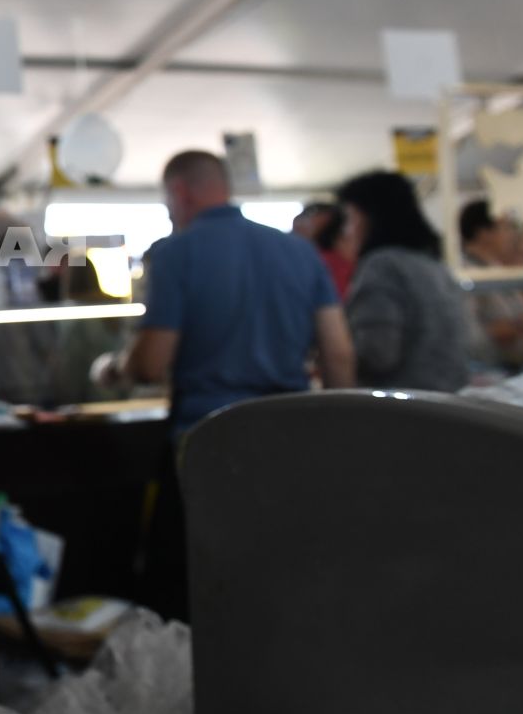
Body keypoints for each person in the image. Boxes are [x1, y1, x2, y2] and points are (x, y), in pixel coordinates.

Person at [104, 152, 355, 617]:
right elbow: (338, 353)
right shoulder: (299, 252)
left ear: (180, 192)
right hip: (290, 439)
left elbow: (151, 364)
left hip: (206, 444)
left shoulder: (175, 252)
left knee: (200, 597)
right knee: (284, 587)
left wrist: (115, 367)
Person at [338, 172, 472, 392]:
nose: (347, 231)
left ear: (368, 217)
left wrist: (334, 350)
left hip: (402, 410)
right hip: (448, 402)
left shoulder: (382, 266)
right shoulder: (433, 265)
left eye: (350, 218)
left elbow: (378, 353)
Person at [458, 200, 523, 372]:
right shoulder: (467, 278)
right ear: (483, 233)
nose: (511, 236)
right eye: (505, 228)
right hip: (488, 374)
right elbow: (470, 339)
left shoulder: (498, 273)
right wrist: (517, 327)